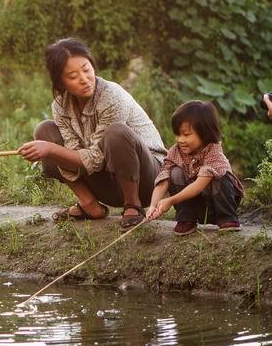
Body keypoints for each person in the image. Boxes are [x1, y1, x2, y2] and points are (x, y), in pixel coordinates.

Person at [18, 38, 167, 229]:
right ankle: (89, 204)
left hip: (146, 180)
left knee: (116, 133)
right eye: (72, 76)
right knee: (44, 130)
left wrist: (50, 150)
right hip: (106, 180)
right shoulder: (60, 106)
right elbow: (75, 153)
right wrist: (49, 147)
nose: (84, 79)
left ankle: (133, 206)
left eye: (86, 69)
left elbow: (93, 159)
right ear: (60, 82)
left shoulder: (112, 96)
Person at [146, 100, 243, 235]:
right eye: (178, 134)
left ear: (204, 132)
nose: (180, 140)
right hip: (196, 204)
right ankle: (187, 219)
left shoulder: (214, 152)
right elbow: (163, 181)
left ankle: (227, 218)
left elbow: (199, 185)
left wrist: (170, 200)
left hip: (216, 204)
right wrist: (153, 206)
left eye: (186, 135)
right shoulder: (176, 151)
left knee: (220, 176)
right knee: (175, 172)